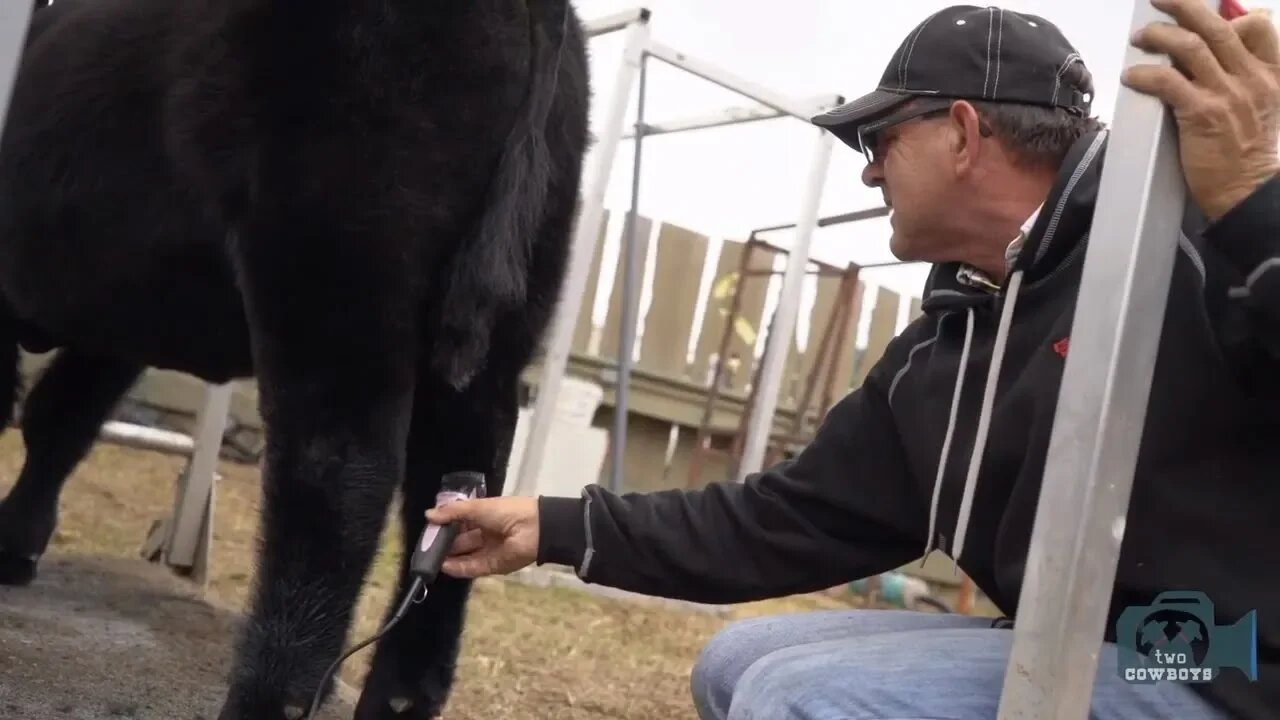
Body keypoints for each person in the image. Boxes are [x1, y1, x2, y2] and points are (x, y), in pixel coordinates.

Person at [428, 2, 1280, 719]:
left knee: (798, 697)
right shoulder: (952, 338)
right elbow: (792, 519)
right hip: (1099, 638)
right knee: (737, 664)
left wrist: (1256, 205)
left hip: (1229, 657)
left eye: (877, 140)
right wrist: (557, 525)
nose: (869, 175)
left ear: (961, 132)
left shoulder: (1189, 240)